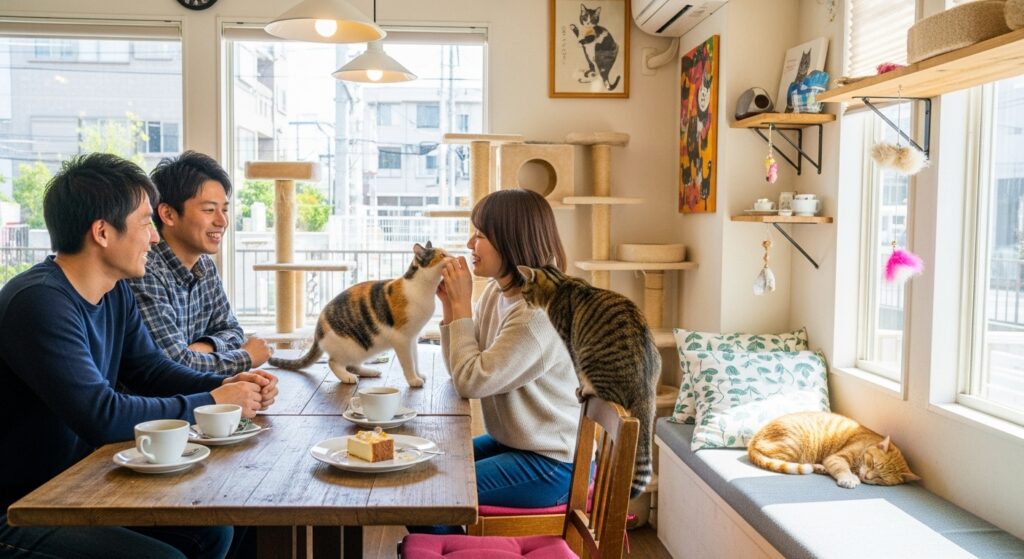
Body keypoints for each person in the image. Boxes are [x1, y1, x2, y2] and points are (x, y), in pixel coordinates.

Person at [0, 153, 278, 559]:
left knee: (215, 530)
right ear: (102, 232)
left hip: (76, 484)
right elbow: (102, 415)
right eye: (146, 223)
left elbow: (152, 371)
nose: (153, 237)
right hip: (19, 505)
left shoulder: (113, 291)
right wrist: (214, 401)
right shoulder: (39, 303)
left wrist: (230, 385)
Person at [429, 188, 581, 532]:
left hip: (551, 464)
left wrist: (462, 306)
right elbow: (462, 369)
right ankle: (457, 549)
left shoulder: (536, 313)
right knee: (425, 470)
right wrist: (452, 308)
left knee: (433, 493)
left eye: (480, 235)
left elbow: (471, 381)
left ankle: (457, 551)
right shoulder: (500, 293)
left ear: (512, 241)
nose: (470, 244)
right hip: (515, 443)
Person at [128, 151, 271, 375]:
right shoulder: (144, 270)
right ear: (168, 214)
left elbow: (232, 330)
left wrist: (202, 348)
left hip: (196, 398)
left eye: (224, 209)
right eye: (209, 210)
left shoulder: (204, 265)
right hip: (158, 406)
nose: (222, 221)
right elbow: (173, 367)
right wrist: (246, 357)